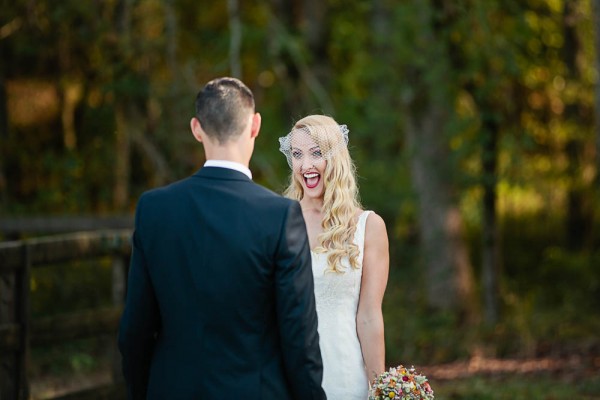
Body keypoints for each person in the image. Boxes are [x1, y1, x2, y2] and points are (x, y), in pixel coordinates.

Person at [118, 77, 326, 400]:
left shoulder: (154, 209)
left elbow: (135, 331)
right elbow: (299, 341)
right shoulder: (280, 216)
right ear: (255, 125)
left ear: (196, 128)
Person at [278, 114, 389, 399]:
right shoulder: (278, 221)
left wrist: (381, 390)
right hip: (287, 374)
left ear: (335, 157)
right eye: (297, 154)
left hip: (345, 374)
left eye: (316, 154)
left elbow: (369, 316)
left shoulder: (369, 226)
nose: (306, 165)